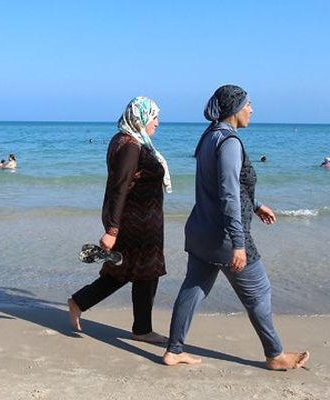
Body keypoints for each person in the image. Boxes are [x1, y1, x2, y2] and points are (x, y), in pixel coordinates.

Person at [162, 85, 309, 370]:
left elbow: (224, 187)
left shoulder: (209, 136)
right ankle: (275, 354)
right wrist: (239, 244)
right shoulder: (229, 142)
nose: (252, 109)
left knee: (193, 288)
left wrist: (255, 204)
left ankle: (174, 350)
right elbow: (228, 193)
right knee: (259, 292)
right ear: (235, 108)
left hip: (201, 231)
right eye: (249, 104)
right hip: (225, 236)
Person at [68, 96, 172, 344]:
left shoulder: (126, 140)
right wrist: (112, 230)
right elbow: (120, 187)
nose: (157, 122)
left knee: (130, 270)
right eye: (154, 117)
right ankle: (140, 328)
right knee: (139, 272)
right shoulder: (131, 145)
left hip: (142, 222)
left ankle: (84, 303)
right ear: (140, 117)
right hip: (137, 223)